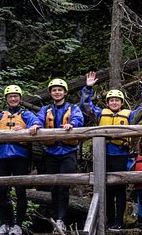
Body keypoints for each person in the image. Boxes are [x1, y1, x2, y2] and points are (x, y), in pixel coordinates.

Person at [81, 72, 142, 231]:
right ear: (107, 102)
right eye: (111, 100)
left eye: (117, 100)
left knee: (119, 189)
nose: (114, 103)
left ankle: (118, 221)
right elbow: (85, 106)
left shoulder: (129, 116)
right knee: (105, 189)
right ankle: (108, 220)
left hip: (120, 155)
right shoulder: (100, 114)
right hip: (103, 155)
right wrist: (88, 88)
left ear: (122, 103)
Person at [0, 85, 41, 235]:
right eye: (10, 97)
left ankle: (18, 225)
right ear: (6, 99)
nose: (13, 99)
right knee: (1, 191)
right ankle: (4, 224)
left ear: (20, 99)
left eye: (16, 96)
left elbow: (37, 122)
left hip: (20, 156)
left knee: (20, 191)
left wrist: (32, 127)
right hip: (1, 157)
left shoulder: (26, 114)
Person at [35, 78, 84, 233]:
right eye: (54, 90)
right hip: (50, 152)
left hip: (68, 152)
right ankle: (56, 218)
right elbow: (37, 119)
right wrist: (36, 124)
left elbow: (78, 118)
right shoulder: (45, 109)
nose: (57, 92)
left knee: (63, 186)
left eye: (59, 90)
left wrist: (72, 124)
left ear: (65, 92)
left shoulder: (72, 107)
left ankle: (61, 219)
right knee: (54, 187)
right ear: (50, 93)